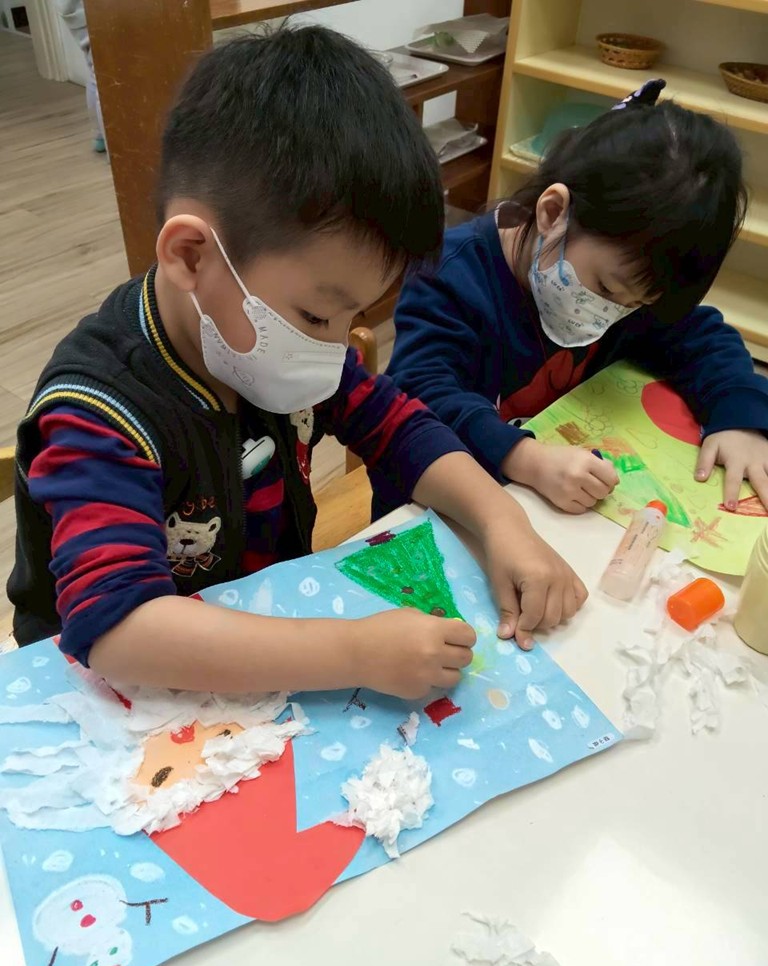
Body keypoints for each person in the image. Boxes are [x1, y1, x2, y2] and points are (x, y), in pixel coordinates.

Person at [7, 27, 586, 699]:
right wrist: (353, 654)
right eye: (316, 316)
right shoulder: (97, 414)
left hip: (264, 627)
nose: (336, 346)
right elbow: (119, 632)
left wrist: (501, 521)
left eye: (354, 315)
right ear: (192, 255)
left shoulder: (268, 341)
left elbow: (401, 426)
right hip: (112, 694)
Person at [381, 80, 768, 518]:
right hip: (433, 511)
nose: (611, 312)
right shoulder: (448, 275)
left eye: (637, 303)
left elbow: (700, 335)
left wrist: (741, 415)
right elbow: (420, 397)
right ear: (553, 212)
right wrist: (525, 459)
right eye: (606, 289)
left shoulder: (629, 284)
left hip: (552, 509)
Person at [54, 0, 106, 152]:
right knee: (102, 75)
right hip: (88, 10)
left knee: (96, 72)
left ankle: (100, 136)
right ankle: (113, 148)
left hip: (73, 9)